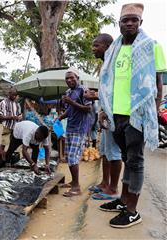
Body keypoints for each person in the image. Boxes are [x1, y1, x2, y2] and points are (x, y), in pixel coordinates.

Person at [98, 3, 165, 228]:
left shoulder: (151, 46)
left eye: (134, 20)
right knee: (127, 159)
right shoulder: (114, 50)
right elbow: (107, 84)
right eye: (125, 20)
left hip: (137, 114)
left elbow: (157, 84)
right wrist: (103, 110)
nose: (129, 23)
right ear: (119, 23)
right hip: (116, 114)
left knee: (135, 162)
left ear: (141, 23)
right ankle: (123, 200)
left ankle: (132, 211)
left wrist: (153, 113)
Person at [84, 34, 123, 200]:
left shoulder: (114, 64)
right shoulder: (105, 65)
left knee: (114, 153)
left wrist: (96, 96)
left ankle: (113, 189)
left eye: (96, 45)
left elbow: (115, 92)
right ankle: (104, 183)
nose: (93, 49)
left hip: (112, 115)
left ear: (107, 46)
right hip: (105, 116)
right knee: (105, 152)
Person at [58, 68, 92, 197]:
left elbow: (88, 109)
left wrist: (71, 102)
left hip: (80, 128)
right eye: (67, 78)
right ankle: (73, 181)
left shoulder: (83, 90)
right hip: (70, 128)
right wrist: (62, 116)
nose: (69, 80)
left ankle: (76, 187)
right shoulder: (68, 92)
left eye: (72, 77)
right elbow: (70, 109)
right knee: (68, 157)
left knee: (73, 157)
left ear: (77, 77)